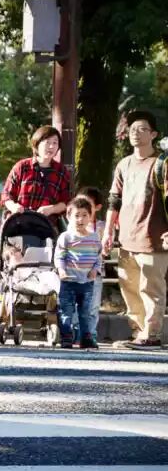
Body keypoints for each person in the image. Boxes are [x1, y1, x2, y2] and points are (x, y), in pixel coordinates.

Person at [103, 110, 168, 349]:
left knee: (151, 289)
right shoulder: (124, 164)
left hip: (154, 239)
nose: (136, 134)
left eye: (142, 129)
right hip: (126, 239)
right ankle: (138, 332)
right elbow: (114, 200)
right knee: (130, 289)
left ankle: (152, 334)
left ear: (154, 134)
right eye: (132, 130)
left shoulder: (162, 164)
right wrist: (108, 231)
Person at [55, 196, 101, 349]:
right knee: (66, 311)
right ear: (69, 216)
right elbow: (59, 256)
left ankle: (86, 337)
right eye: (77, 215)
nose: (80, 219)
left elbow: (98, 257)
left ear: (90, 216)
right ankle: (66, 337)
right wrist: (61, 270)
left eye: (84, 215)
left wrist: (95, 270)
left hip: (87, 282)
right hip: (69, 281)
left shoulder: (94, 237)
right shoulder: (66, 237)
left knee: (85, 312)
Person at [0, 126, 71, 224]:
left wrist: (51, 209)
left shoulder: (61, 171)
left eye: (55, 143)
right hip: (19, 224)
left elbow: (67, 202)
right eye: (47, 142)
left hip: (46, 226)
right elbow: (6, 195)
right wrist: (14, 207)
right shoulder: (22, 166)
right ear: (37, 144)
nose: (51, 146)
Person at [75, 185, 105, 341]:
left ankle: (90, 334)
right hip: (75, 272)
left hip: (95, 273)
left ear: (97, 207)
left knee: (93, 306)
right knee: (75, 305)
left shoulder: (101, 227)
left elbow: (103, 249)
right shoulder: (71, 226)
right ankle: (75, 334)